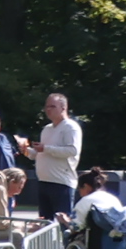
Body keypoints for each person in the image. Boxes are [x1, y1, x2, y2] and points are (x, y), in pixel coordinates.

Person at [24, 92, 82, 220]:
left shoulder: (71, 127)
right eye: (46, 107)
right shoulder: (47, 129)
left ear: (63, 108)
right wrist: (26, 151)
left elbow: (72, 150)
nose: (48, 110)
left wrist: (45, 148)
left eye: (52, 106)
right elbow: (39, 154)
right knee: (45, 224)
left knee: (62, 224)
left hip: (61, 183)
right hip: (44, 182)